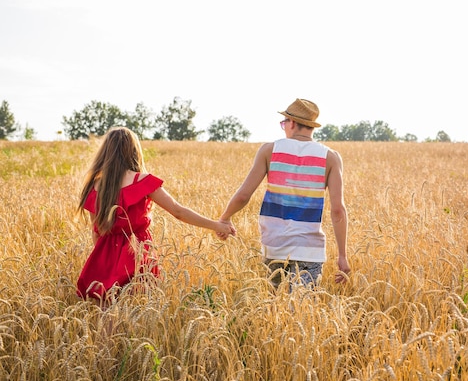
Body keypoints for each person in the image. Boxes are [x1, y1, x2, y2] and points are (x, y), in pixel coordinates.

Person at [76, 126, 235, 302]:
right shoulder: (141, 181)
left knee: (107, 309)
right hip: (136, 252)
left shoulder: (95, 186)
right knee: (138, 307)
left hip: (104, 253)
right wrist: (217, 225)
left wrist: (104, 262)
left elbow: (96, 231)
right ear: (133, 150)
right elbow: (178, 211)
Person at [216, 98, 350, 288]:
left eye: (284, 123)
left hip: (274, 247)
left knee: (276, 312)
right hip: (309, 250)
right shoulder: (330, 157)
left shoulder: (269, 150)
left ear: (292, 123)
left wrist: (225, 218)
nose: (284, 126)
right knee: (301, 311)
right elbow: (338, 210)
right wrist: (342, 255)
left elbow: (243, 195)